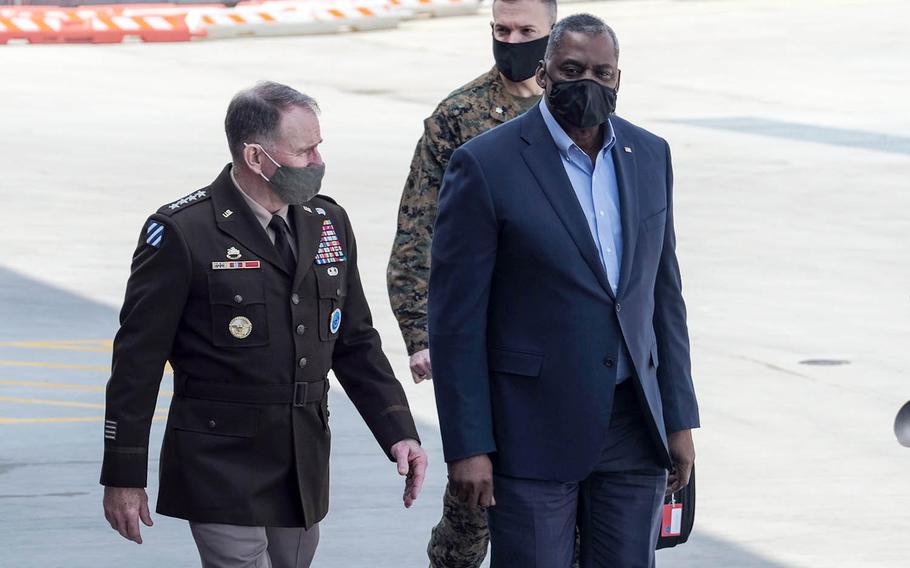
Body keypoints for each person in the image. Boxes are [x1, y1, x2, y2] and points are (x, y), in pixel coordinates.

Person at [101, 81, 427, 568]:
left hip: (301, 457)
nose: (317, 160)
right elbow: (136, 364)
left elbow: (355, 340)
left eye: (319, 146)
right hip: (220, 459)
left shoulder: (327, 222)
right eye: (303, 150)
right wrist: (124, 474)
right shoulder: (183, 232)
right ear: (255, 157)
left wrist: (399, 429)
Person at [429, 13, 699, 568]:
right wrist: (468, 444)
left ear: (618, 80)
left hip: (631, 423)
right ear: (546, 73)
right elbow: (456, 321)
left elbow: (663, 296)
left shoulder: (650, 155)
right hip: (531, 428)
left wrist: (678, 418)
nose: (588, 83)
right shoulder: (485, 164)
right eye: (573, 69)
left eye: (603, 73)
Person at [386, 0, 555, 565]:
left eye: (526, 31)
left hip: (562, 346)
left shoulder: (578, 108)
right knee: (470, 508)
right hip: (480, 348)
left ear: (553, 34)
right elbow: (416, 233)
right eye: (502, 30)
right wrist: (419, 333)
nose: (512, 40)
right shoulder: (459, 116)